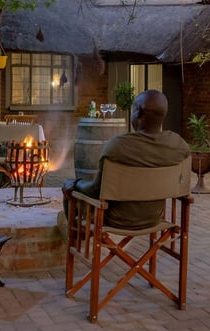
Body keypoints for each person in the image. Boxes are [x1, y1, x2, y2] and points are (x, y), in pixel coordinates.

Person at [62, 89, 190, 229]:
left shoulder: (117, 146)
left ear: (138, 112)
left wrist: (76, 183)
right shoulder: (178, 145)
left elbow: (95, 190)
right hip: (154, 218)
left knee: (69, 191)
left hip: (114, 219)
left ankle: (78, 241)